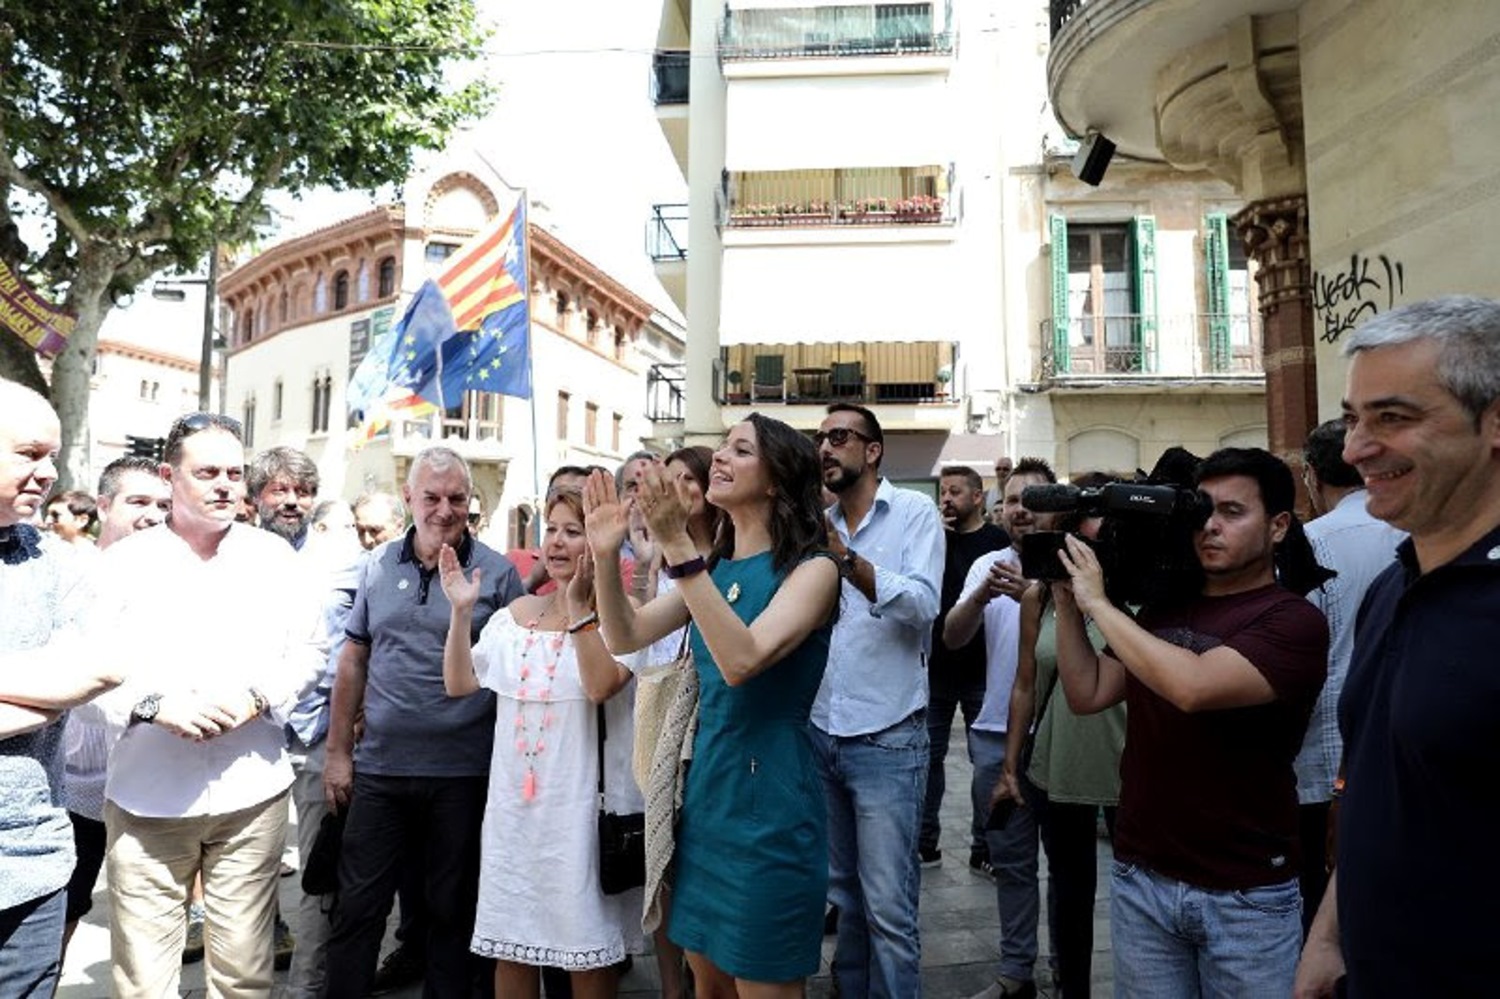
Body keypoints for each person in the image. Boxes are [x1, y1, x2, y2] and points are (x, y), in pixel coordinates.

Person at [58, 411, 326, 995]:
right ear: (169, 475)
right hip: (146, 801)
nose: (225, 484)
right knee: (145, 981)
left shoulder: (274, 560)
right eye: (207, 472)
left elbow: (309, 653)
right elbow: (85, 676)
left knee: (243, 978)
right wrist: (154, 706)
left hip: (251, 795)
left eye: (235, 471)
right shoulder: (122, 565)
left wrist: (260, 697)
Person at [1053, 447, 1328, 996]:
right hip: (1143, 878)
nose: (1212, 527)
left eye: (1233, 512)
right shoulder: (1163, 610)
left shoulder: (1293, 619)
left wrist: (1100, 604)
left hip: (1247, 892)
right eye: (1203, 512)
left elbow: (1193, 687)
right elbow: (1087, 693)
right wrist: (1066, 603)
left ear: (1277, 526)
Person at [584, 413, 840, 998]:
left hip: (771, 803)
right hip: (708, 796)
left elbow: (740, 661)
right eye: (722, 446)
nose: (719, 457)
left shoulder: (814, 571)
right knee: (710, 985)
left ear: (777, 480)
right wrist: (605, 555)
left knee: (763, 982)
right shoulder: (717, 570)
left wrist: (678, 546)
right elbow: (625, 636)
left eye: (741, 450)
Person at [1296, 295, 1500, 998]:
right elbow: (1376, 785)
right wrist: (1328, 934)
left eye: (1393, 418)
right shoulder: (1391, 585)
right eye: (1354, 420)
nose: (1354, 450)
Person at [323, 446, 523, 998]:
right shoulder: (377, 565)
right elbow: (354, 658)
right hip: (381, 770)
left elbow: (517, 675)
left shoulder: (501, 574)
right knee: (358, 908)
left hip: (463, 774)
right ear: (409, 497)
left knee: (451, 912)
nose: (444, 509)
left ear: (470, 502)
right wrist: (338, 752)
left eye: (456, 498)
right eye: (430, 497)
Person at [440, 486, 644, 997]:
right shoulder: (517, 614)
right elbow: (460, 683)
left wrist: (580, 610)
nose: (555, 542)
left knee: (586, 957)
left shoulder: (626, 614)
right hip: (514, 814)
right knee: (511, 949)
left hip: (580, 815)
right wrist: (461, 612)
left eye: (572, 531)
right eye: (550, 529)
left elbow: (601, 686)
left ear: (600, 542)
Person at [815, 403, 943, 997]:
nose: (826, 447)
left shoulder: (915, 513)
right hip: (822, 732)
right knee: (844, 897)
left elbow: (921, 608)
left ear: (872, 451)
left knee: (889, 908)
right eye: (821, 438)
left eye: (839, 437)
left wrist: (843, 559)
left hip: (889, 736)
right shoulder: (818, 522)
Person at [0, 381, 118, 996]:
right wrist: (45, 687)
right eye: (30, 453)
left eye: (53, 456)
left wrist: (63, 685)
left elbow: (99, 669)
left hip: (33, 866)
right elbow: (64, 682)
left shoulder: (62, 562)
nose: (47, 473)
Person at [997, 472, 1127, 999]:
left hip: (1131, 765)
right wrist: (1009, 766)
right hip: (1059, 762)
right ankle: (1072, 988)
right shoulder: (1042, 596)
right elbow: (1026, 684)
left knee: (1142, 893)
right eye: (1081, 524)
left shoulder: (1149, 591)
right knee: (1071, 892)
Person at [945, 459, 1055, 999]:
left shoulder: (1074, 565)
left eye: (1033, 499)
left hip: (1061, 731)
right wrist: (980, 597)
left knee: (1067, 860)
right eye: (1012, 500)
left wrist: (1032, 594)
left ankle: (1067, 965)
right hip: (994, 733)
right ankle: (1017, 972)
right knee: (1011, 862)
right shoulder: (987, 563)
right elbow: (953, 637)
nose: (1021, 509)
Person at [1292, 420, 1404, 935]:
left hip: (1320, 762)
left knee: (1319, 909)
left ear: (1312, 476)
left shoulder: (1307, 545)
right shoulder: (1411, 532)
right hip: (1397, 756)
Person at [58, 457, 170, 961]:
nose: (152, 515)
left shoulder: (178, 580)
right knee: (62, 914)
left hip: (154, 786)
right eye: (138, 502)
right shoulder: (71, 577)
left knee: (149, 930)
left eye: (163, 505)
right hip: (72, 792)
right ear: (103, 506)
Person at [633, 445, 722, 999]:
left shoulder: (725, 558)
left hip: (708, 719)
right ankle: (672, 987)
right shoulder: (666, 558)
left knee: (699, 859)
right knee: (660, 859)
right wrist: (647, 563)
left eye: (690, 479)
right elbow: (641, 634)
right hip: (659, 708)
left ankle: (706, 977)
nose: (678, 489)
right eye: (672, 479)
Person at [919, 466, 1009, 871]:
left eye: (955, 492)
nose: (947, 499)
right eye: (943, 492)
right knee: (928, 760)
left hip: (981, 670)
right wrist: (935, 537)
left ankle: (983, 847)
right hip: (936, 668)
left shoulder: (997, 542)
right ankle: (925, 843)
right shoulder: (933, 539)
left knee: (985, 764)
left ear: (978, 497)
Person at [249, 445, 319, 548]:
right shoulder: (237, 553)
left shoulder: (335, 558)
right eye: (279, 491)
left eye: (302, 492)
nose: (291, 501)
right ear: (256, 496)